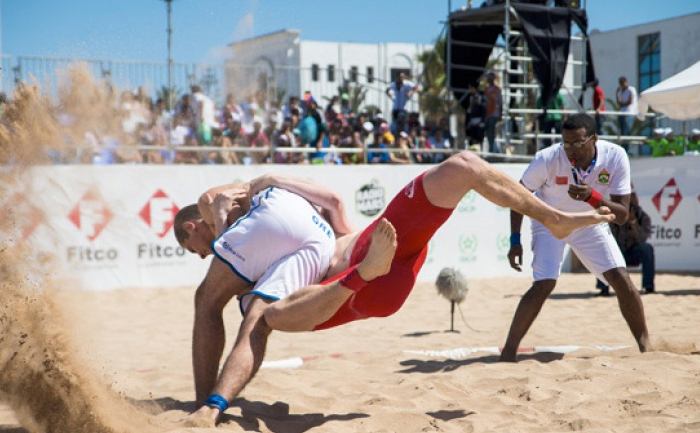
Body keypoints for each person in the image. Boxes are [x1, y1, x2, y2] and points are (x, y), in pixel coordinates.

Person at [173, 151, 616, 427]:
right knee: (272, 314)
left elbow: (221, 201)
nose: (203, 252)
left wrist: (246, 208)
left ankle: (207, 407)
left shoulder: (246, 237)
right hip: (373, 263)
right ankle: (365, 271)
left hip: (369, 269)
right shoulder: (311, 236)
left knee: (261, 317)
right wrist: (271, 181)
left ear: (194, 227)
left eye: (198, 246)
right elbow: (332, 201)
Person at [499, 113, 652, 363]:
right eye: (566, 143)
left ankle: (646, 346)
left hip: (589, 223)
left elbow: (623, 216)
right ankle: (508, 352)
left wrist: (593, 198)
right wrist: (515, 241)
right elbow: (518, 198)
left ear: (594, 139)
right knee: (544, 283)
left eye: (578, 143)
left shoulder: (615, 156)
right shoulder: (547, 158)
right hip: (550, 222)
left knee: (622, 280)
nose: (571, 150)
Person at [595, 191, 655, 295]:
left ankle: (648, 287)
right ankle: (603, 288)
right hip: (616, 251)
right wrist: (617, 220)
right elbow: (606, 235)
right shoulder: (612, 214)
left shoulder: (642, 216)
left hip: (632, 252)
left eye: (633, 203)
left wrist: (633, 222)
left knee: (647, 248)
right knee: (602, 248)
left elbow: (642, 239)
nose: (631, 206)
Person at [484, 72, 503, 153]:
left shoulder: (496, 90)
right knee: (488, 131)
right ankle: (490, 147)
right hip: (487, 113)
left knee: (492, 131)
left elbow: (500, 102)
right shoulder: (486, 90)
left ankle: (492, 148)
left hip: (494, 113)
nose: (487, 79)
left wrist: (500, 114)